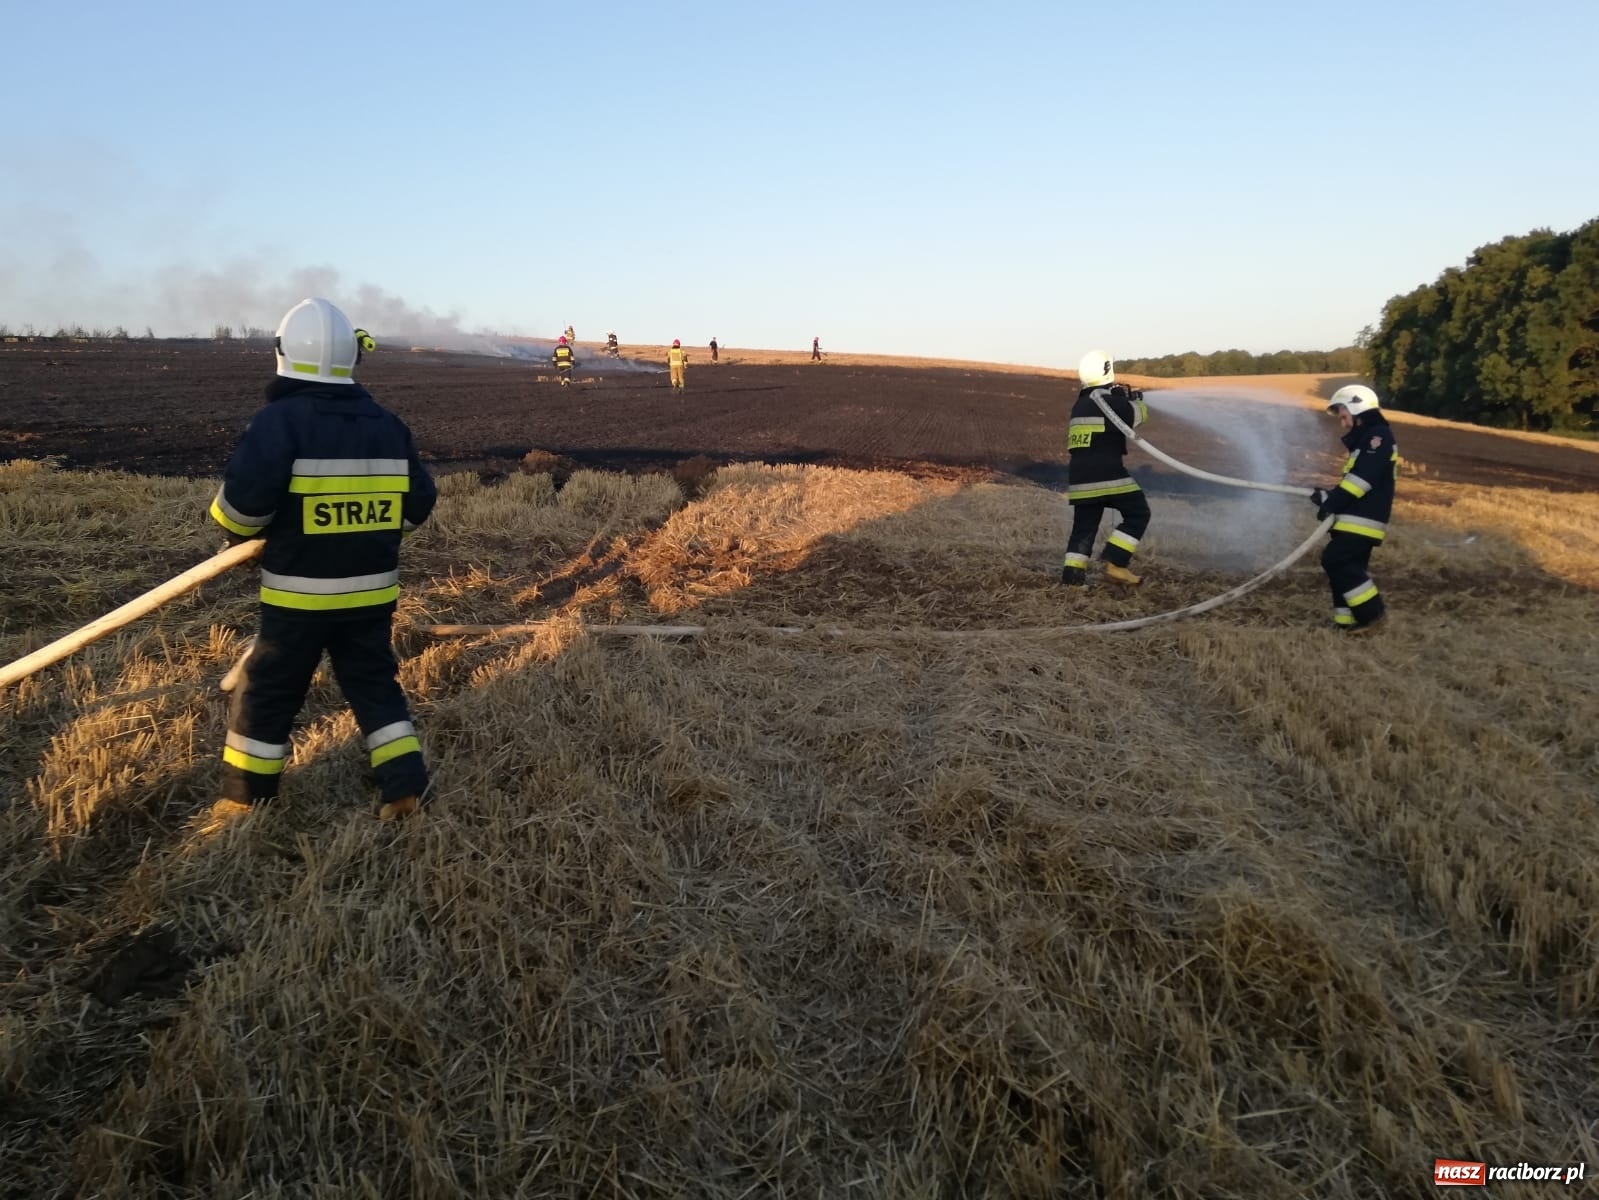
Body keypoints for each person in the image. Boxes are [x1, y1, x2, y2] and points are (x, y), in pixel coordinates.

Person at [208, 297, 437, 821]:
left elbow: (240, 513)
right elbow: (417, 505)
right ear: (351, 359)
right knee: (376, 687)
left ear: (283, 354)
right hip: (372, 592)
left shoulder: (278, 422)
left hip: (298, 597)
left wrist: (239, 531)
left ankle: (245, 800)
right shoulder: (387, 424)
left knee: (269, 691)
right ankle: (405, 789)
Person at [1310, 384, 1397, 632]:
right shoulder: (1367, 439)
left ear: (1356, 406)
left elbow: (1363, 479)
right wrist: (1328, 498)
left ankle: (1373, 617)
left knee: (1336, 560)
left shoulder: (1378, 437)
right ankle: (1346, 623)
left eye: (1342, 410)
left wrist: (1333, 501)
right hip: (1353, 518)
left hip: (1363, 519)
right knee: (1345, 567)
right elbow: (1354, 480)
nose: (1341, 418)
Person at [1061, 349, 1150, 587]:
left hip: (1080, 478)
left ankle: (1072, 578)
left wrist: (1117, 399)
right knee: (1139, 513)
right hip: (1107, 473)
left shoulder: (1080, 404)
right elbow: (1138, 416)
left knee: (1083, 528)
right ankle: (1116, 563)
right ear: (1107, 371)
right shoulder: (1108, 402)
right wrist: (1136, 401)